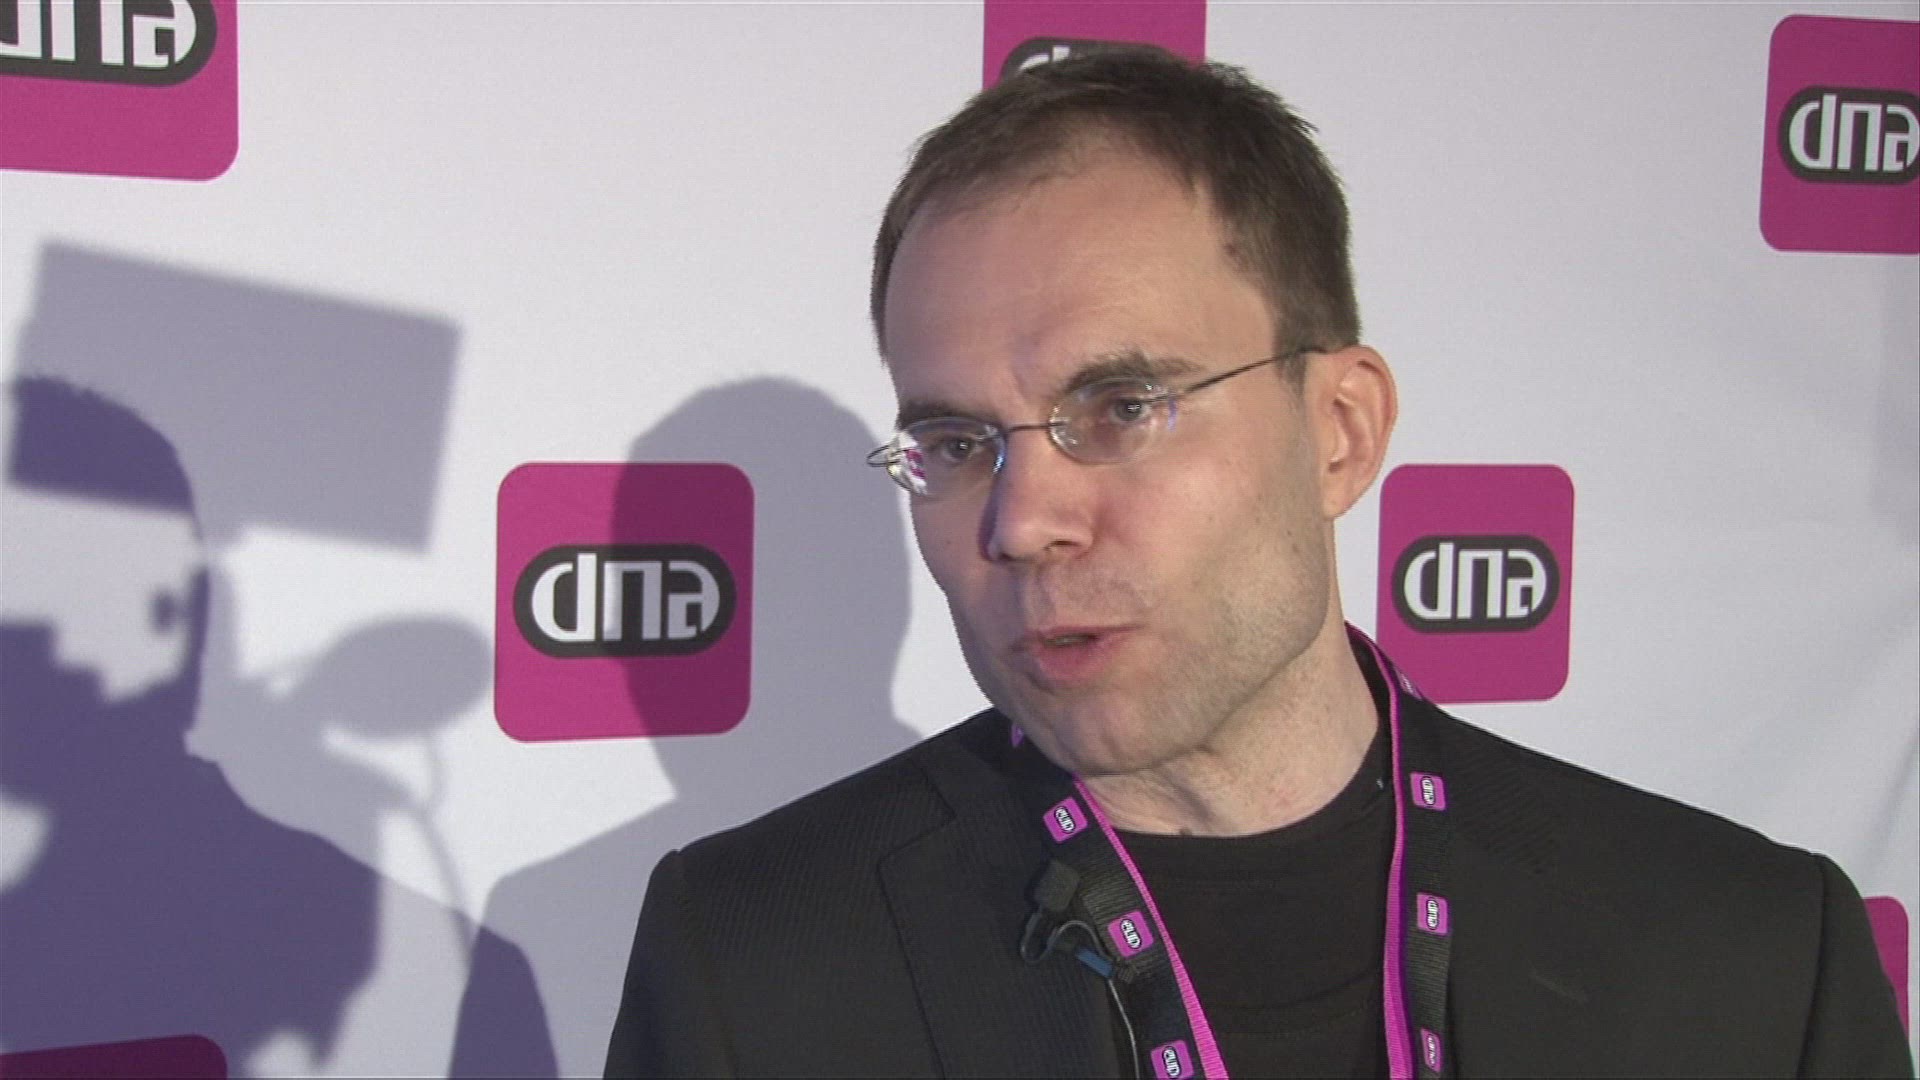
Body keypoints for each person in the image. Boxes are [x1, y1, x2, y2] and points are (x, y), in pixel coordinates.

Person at [605, 48, 1910, 1078]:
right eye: (954, 443)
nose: (1022, 521)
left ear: (1339, 431)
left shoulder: (1752, 951)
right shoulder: (753, 959)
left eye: (1121, 406)